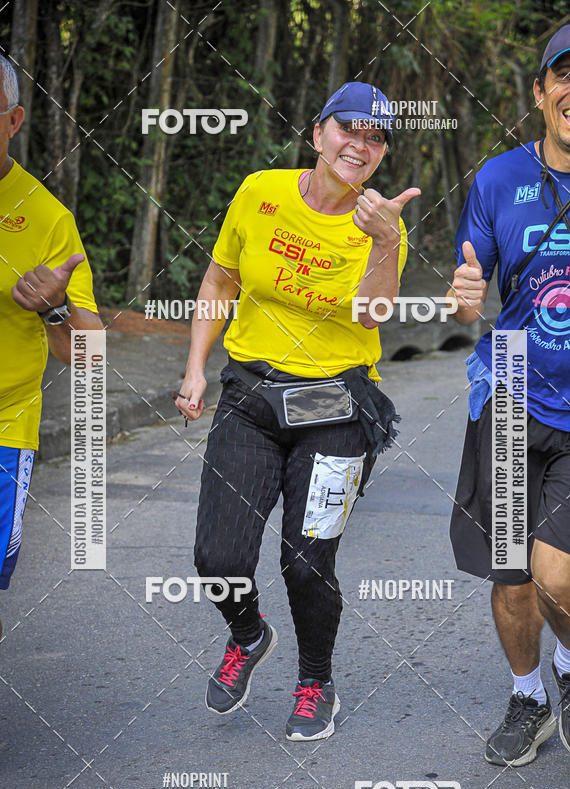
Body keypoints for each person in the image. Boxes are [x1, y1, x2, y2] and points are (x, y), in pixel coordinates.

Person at [176, 81, 419, 740]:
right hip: (250, 400)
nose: (361, 145)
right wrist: (197, 366)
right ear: (318, 134)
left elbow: (373, 314)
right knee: (217, 558)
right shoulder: (261, 191)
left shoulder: (379, 223)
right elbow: (220, 278)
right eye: (349, 130)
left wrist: (388, 244)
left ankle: (317, 681)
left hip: (337, 410)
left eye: (376, 137)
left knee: (308, 563)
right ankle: (248, 634)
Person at [448, 22, 570, 765]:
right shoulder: (496, 179)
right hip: (508, 396)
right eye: (565, 77)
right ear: (540, 93)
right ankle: (527, 696)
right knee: (510, 580)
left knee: (553, 570)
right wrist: (464, 297)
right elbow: (467, 306)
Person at [0, 55, 102, 609]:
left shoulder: (47, 218)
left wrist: (56, 308)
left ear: (13, 121)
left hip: (3, 425)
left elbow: (88, 352)